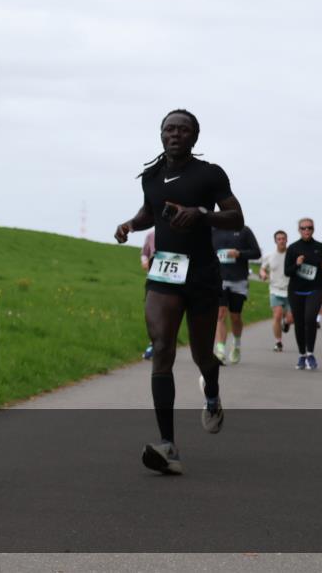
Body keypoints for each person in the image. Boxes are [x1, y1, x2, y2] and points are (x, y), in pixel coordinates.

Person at [115, 109, 245, 475]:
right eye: (169, 129)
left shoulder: (210, 174)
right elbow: (149, 212)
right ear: (161, 134)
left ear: (194, 137)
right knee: (162, 349)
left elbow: (236, 218)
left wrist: (202, 213)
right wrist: (130, 224)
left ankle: (212, 395)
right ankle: (168, 445)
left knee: (203, 354)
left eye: (183, 130)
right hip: (165, 272)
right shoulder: (152, 175)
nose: (175, 134)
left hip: (202, 273)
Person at [284, 218, 322, 371]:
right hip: (296, 290)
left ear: (313, 229)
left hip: (315, 288)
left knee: (310, 319)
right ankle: (302, 355)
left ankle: (310, 353)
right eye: (303, 228)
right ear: (299, 230)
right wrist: (297, 264)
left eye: (309, 228)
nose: (306, 230)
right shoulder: (293, 248)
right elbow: (287, 271)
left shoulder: (320, 247)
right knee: (298, 323)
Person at [211, 225, 261, 364]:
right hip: (218, 279)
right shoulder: (213, 231)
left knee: (235, 316)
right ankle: (220, 350)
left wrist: (239, 254)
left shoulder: (244, 231)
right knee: (220, 314)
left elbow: (256, 253)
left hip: (238, 280)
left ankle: (236, 344)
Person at [259, 230, 294, 352]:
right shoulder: (269, 256)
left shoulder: (292, 255)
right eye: (279, 239)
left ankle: (287, 323)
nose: (281, 241)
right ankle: (278, 342)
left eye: (283, 238)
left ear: (286, 240)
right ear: (275, 241)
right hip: (275, 290)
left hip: (290, 291)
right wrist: (263, 274)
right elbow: (262, 269)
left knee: (291, 319)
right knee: (277, 315)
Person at [140, 230, 156, 360]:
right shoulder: (151, 235)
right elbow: (144, 253)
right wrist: (144, 261)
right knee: (152, 313)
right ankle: (153, 343)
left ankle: (159, 343)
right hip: (153, 279)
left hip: (174, 282)